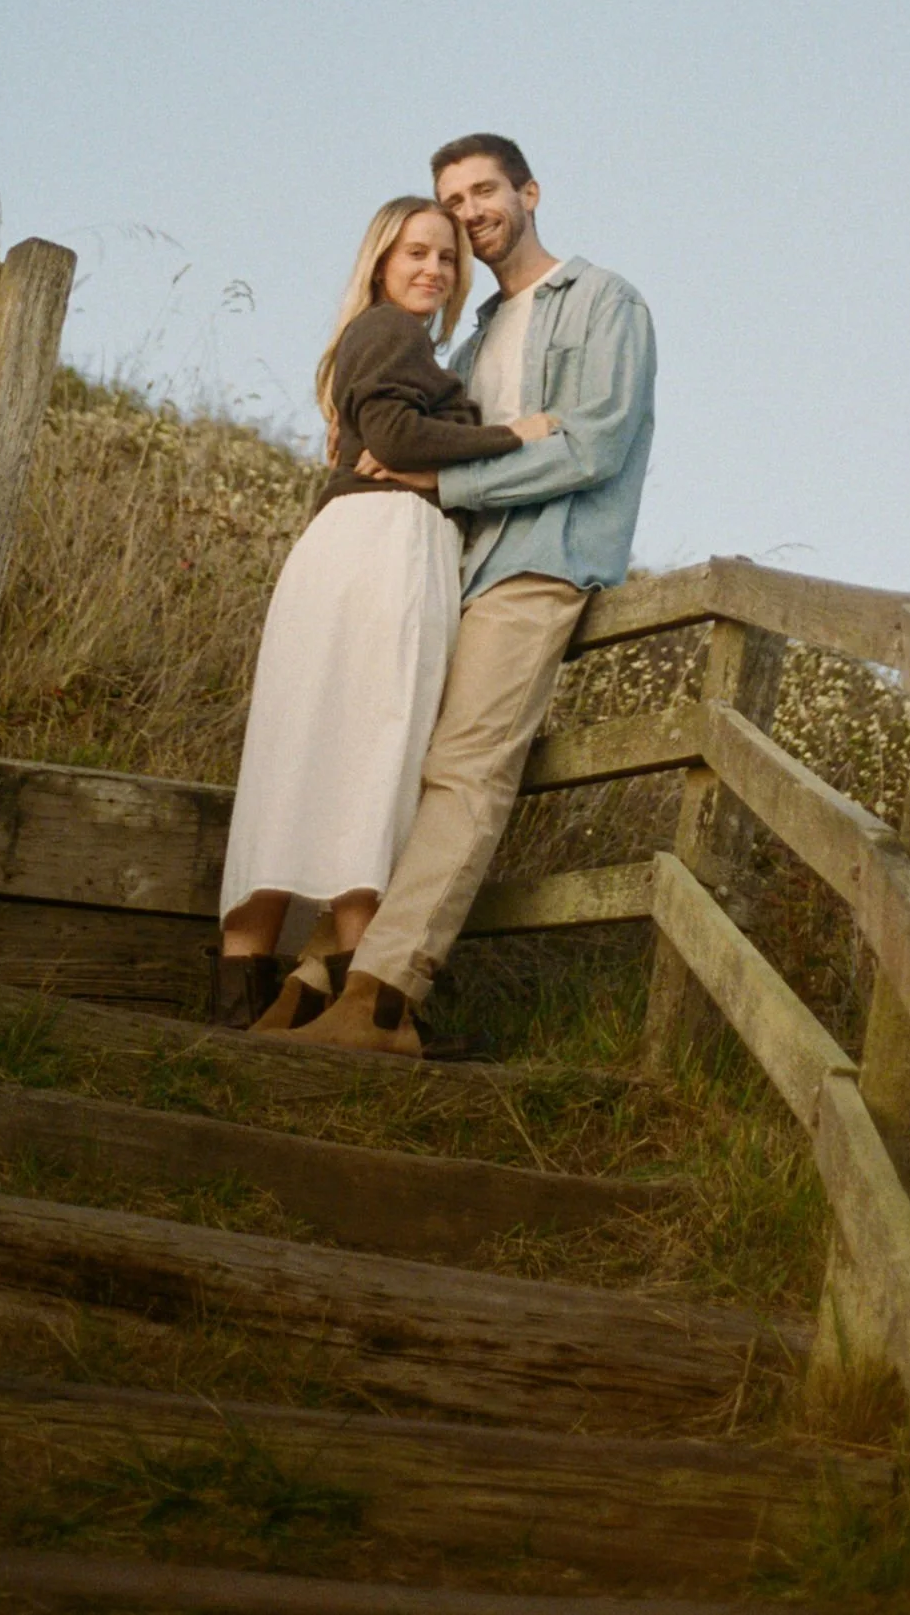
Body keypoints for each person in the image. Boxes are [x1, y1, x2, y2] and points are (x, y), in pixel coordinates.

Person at [271, 134, 655, 1054]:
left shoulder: (602, 299)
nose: (470, 211)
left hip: (539, 562)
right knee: (397, 756)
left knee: (464, 769)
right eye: (453, 199)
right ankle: (318, 972)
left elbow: (592, 445)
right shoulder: (472, 335)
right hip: (456, 568)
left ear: (529, 192)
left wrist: (445, 481)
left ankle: (384, 1000)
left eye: (485, 190)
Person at [211, 195, 556, 1028]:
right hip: (381, 551)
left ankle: (244, 992)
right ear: (379, 262)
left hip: (357, 548)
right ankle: (364, 997)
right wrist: (515, 435)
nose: (433, 268)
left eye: (446, 257)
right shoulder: (391, 331)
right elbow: (398, 441)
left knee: (307, 756)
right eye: (415, 252)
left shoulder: (379, 338)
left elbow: (394, 437)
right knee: (369, 755)